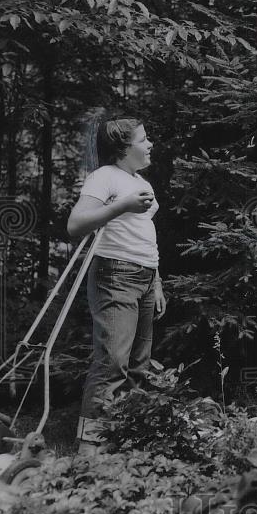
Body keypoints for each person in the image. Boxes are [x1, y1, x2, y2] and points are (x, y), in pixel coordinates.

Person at [67, 114, 167, 454]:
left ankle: (123, 447)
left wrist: (157, 282)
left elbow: (143, 234)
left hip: (144, 275)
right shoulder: (104, 177)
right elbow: (76, 224)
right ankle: (88, 452)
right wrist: (121, 205)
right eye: (143, 139)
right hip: (115, 274)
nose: (150, 143)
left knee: (139, 366)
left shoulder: (142, 181)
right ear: (124, 148)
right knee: (112, 363)